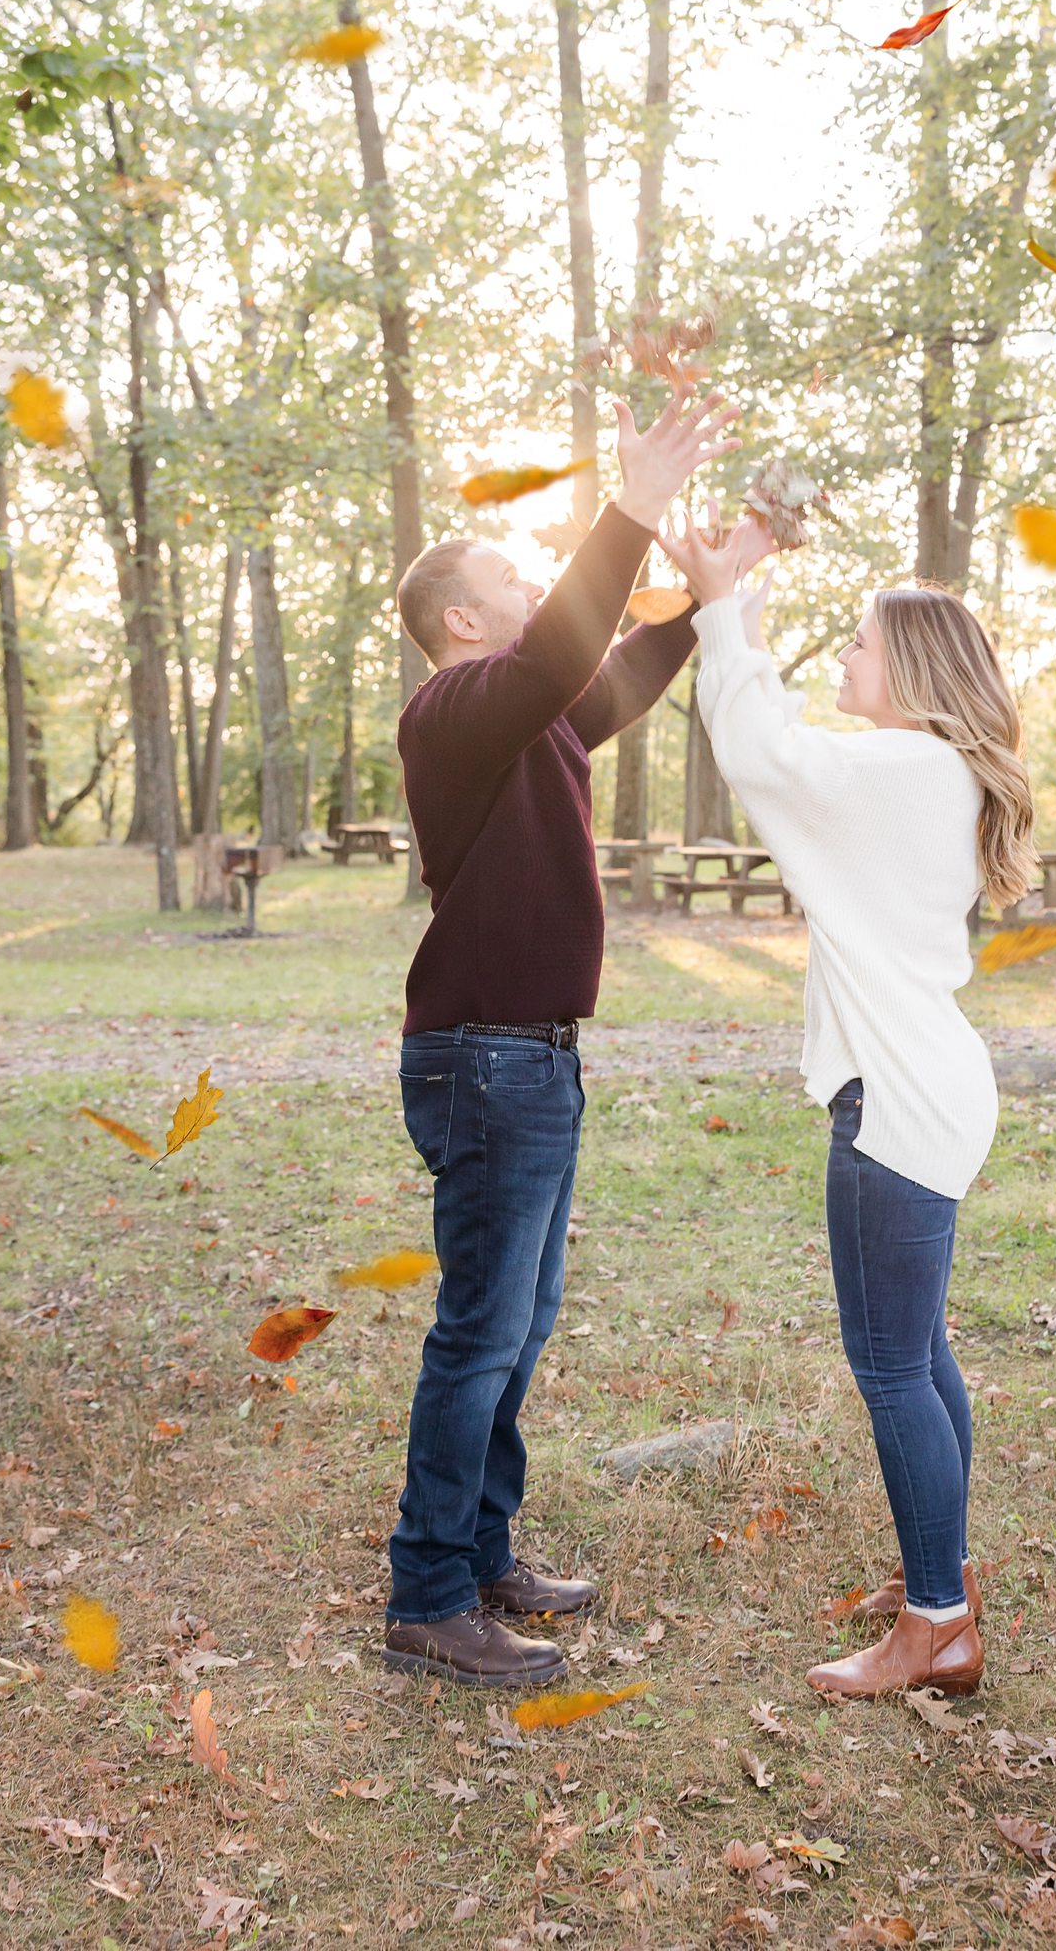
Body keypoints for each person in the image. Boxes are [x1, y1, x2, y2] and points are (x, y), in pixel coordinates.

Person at [383, 389, 740, 1688]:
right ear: (462, 624)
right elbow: (559, 660)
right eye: (515, 580)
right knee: (480, 1330)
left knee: (519, 1325)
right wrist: (630, 506)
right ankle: (427, 1599)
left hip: (532, 1056)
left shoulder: (523, 718)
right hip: (486, 1057)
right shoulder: (456, 710)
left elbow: (616, 677)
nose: (540, 591)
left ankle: (482, 1555)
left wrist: (710, 590)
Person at [655, 497, 1036, 1699]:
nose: (847, 660)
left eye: (862, 643)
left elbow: (760, 750)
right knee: (918, 1355)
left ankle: (934, 1627)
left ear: (912, 666)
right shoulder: (927, 770)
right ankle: (946, 1583)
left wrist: (725, 600)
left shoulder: (901, 766)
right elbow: (780, 742)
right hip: (928, 1082)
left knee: (888, 1366)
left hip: (897, 1103)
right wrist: (734, 597)